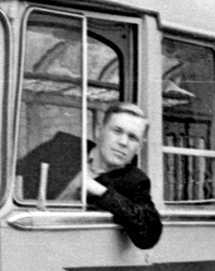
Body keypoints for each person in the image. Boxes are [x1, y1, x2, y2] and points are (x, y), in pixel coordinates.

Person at [15, 102, 162, 249]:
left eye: (133, 137)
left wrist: (100, 191)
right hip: (23, 236)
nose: (123, 142)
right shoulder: (63, 146)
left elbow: (149, 235)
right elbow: (14, 177)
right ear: (99, 131)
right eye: (117, 131)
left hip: (67, 248)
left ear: (139, 147)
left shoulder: (135, 180)